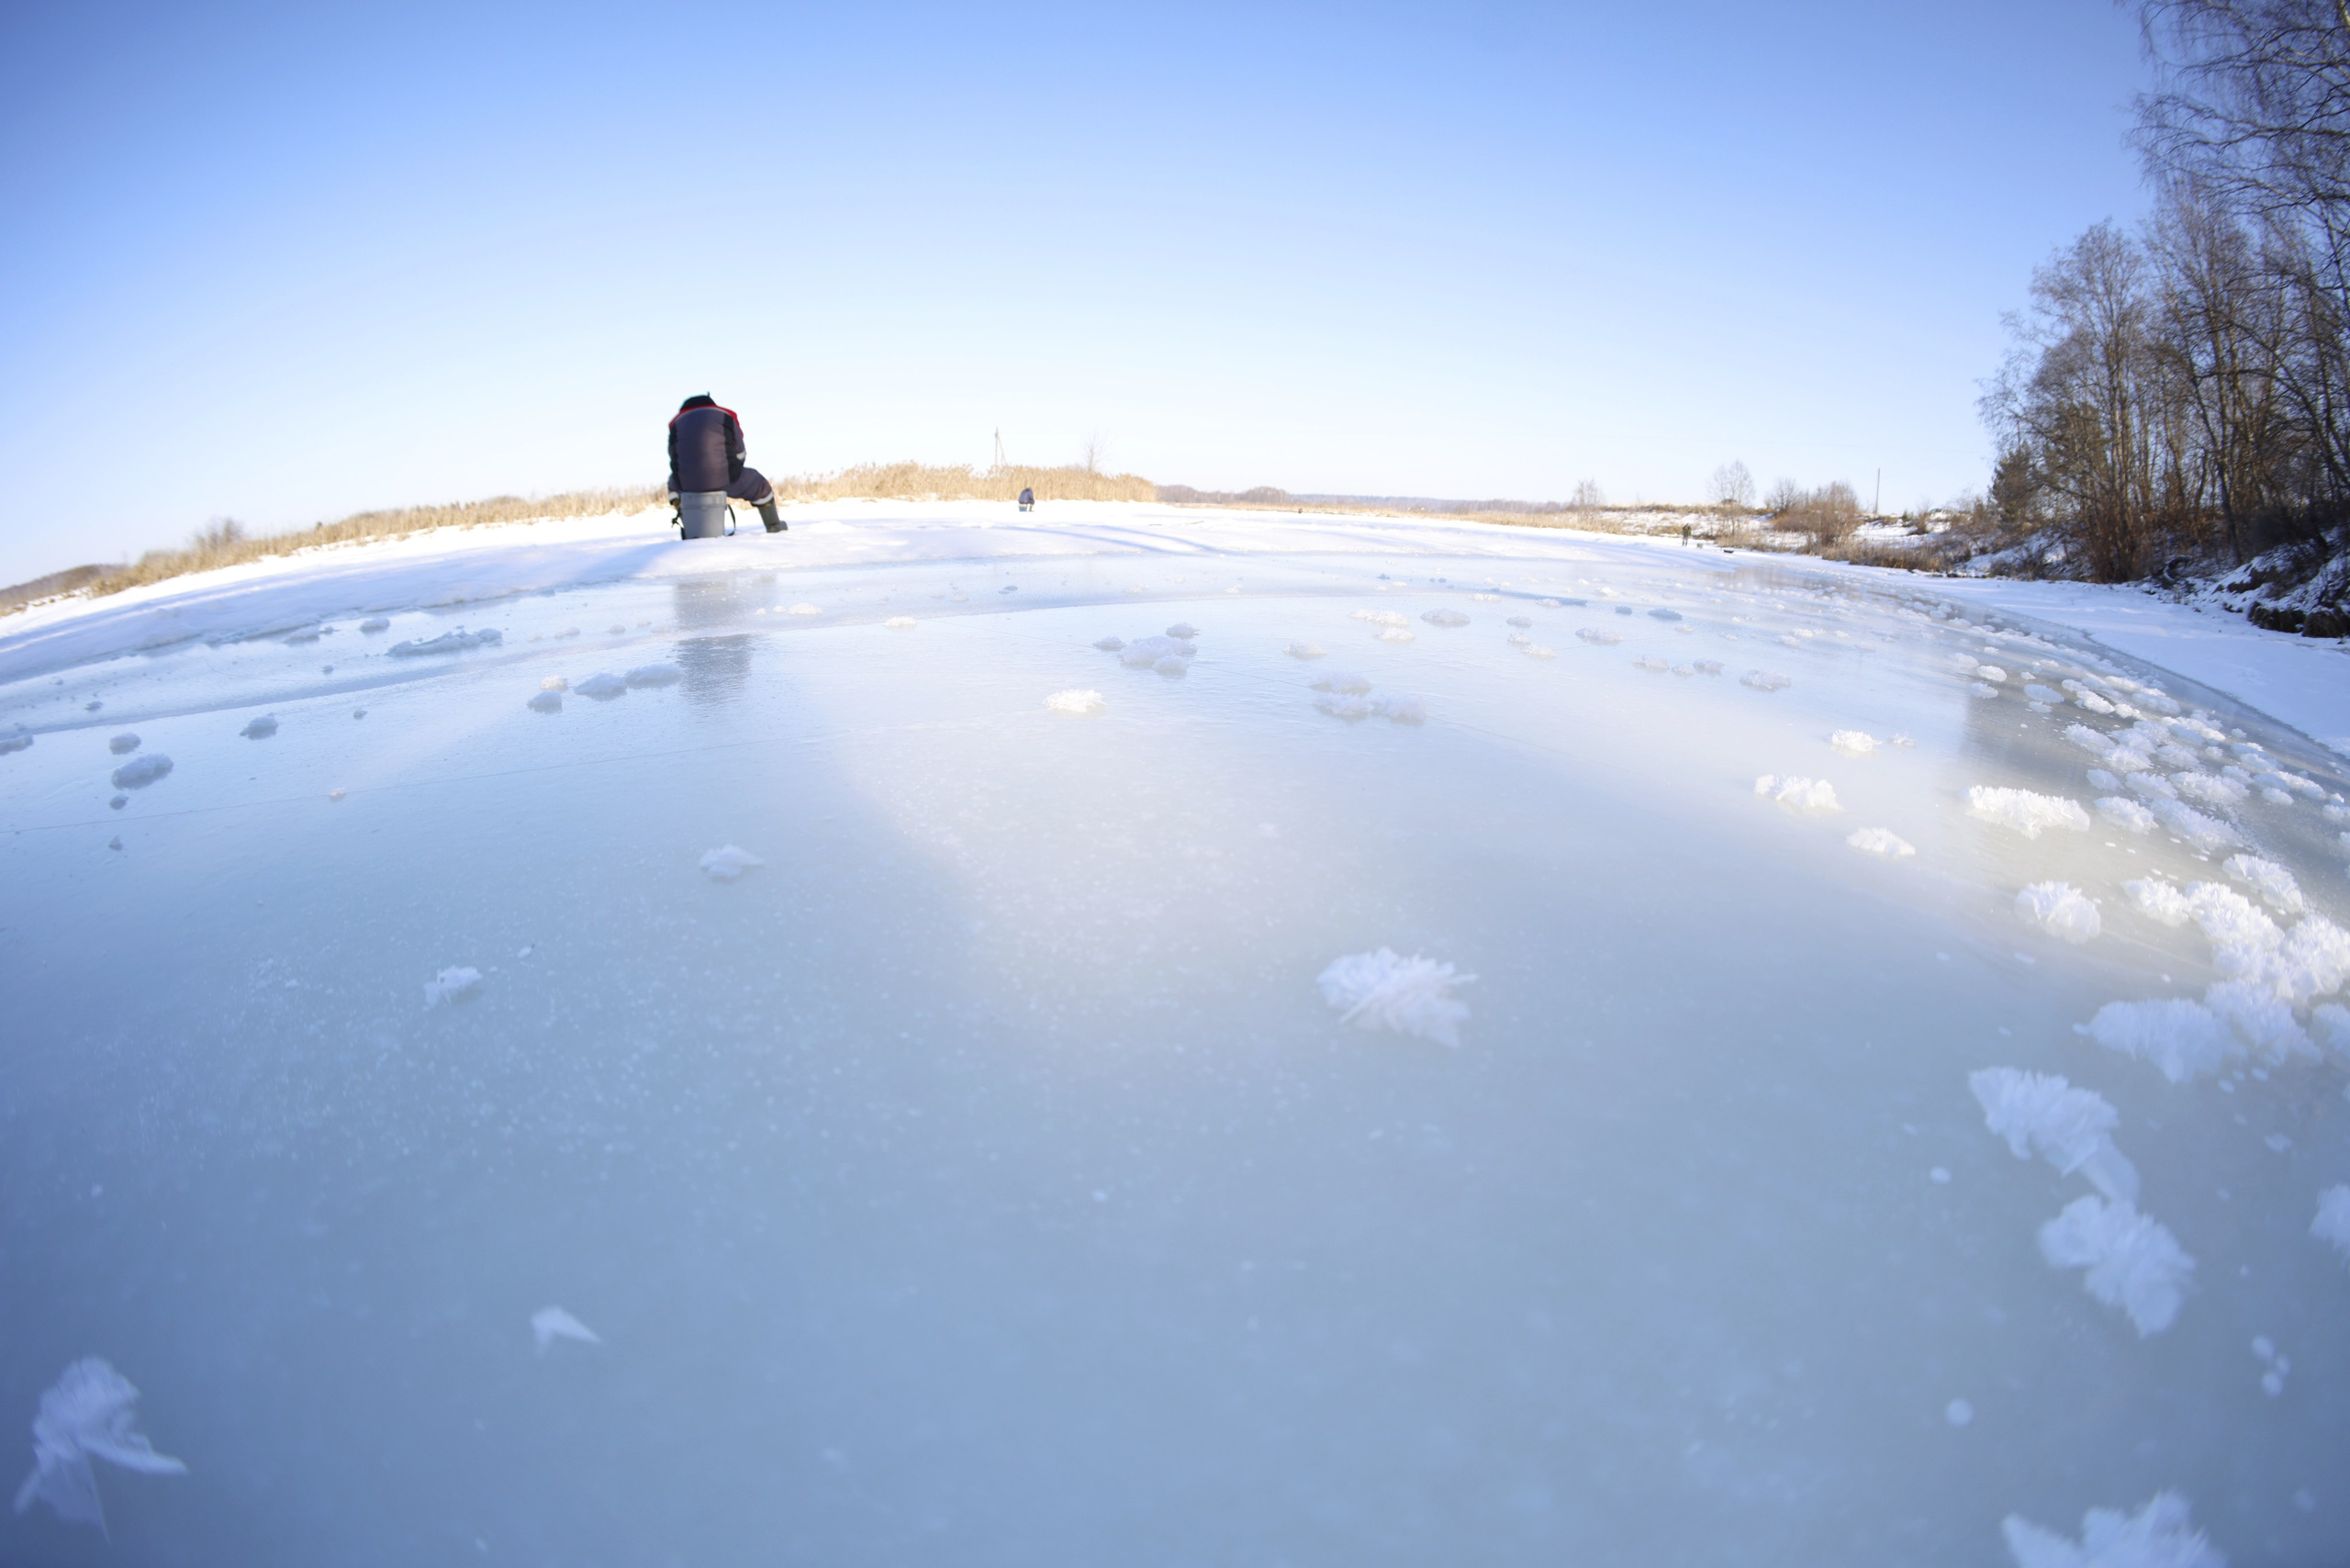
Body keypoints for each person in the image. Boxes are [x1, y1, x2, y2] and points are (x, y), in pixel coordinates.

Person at [668, 394, 784, 534]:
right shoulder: (726, 416)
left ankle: (690, 523)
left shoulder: (676, 424)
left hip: (687, 485)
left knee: (672, 483)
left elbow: (674, 458)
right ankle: (774, 526)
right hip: (725, 477)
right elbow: (740, 452)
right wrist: (733, 470)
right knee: (759, 484)